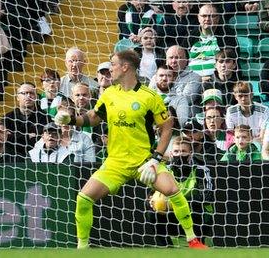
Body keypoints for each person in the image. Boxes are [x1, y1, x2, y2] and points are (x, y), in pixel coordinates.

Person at [54, 50, 208, 249]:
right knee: (83, 198)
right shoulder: (109, 94)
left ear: (125, 67)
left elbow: (167, 126)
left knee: (173, 191)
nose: (110, 69)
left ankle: (192, 240)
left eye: (113, 64)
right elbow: (92, 118)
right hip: (115, 163)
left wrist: (155, 159)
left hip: (144, 160)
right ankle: (82, 249)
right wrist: (71, 119)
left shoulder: (149, 96)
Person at [150, 136, 214, 247]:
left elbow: (206, 196)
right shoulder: (164, 170)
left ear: (190, 154)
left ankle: (198, 243)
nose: (179, 155)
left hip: (197, 215)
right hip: (172, 215)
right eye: (176, 151)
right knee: (152, 212)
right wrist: (150, 201)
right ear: (171, 154)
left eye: (183, 151)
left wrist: (174, 202)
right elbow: (152, 194)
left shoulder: (201, 170)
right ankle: (166, 248)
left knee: (197, 210)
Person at [1, 82, 50, 159]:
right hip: (11, 158)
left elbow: (41, 139)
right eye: (24, 93)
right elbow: (6, 138)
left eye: (31, 93)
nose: (28, 96)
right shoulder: (8, 118)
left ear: (36, 97)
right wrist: (28, 136)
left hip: (38, 158)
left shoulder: (45, 117)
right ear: (17, 97)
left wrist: (16, 137)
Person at [188, 3, 238, 78]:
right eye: (204, 16)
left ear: (218, 18)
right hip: (191, 80)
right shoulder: (190, 37)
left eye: (212, 16)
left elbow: (230, 62)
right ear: (198, 18)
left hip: (217, 80)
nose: (207, 19)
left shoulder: (227, 36)